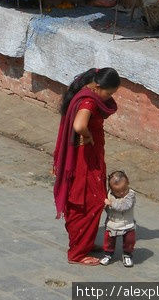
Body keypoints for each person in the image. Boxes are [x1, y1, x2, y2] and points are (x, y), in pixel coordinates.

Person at [53, 67, 121, 266]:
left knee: (93, 196)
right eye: (108, 94)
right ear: (98, 87)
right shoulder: (89, 101)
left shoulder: (86, 92)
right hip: (85, 156)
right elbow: (79, 125)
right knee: (89, 200)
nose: (109, 98)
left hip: (90, 153)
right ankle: (77, 252)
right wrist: (88, 135)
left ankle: (86, 242)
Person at [100, 170, 137, 267]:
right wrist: (105, 206)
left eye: (123, 190)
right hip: (112, 223)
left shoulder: (130, 195)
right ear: (111, 189)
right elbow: (107, 207)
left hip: (127, 223)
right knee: (109, 240)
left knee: (129, 240)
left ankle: (127, 254)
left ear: (128, 183)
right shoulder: (109, 194)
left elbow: (124, 206)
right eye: (117, 191)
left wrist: (111, 203)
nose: (121, 193)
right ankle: (108, 254)